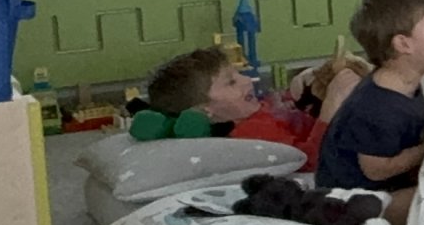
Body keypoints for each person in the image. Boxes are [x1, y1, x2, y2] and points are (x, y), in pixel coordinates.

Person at [317, 0, 424, 225]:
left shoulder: (408, 86)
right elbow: (377, 170)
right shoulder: (376, 107)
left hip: (387, 186)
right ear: (404, 45)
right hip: (353, 202)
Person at [142, 44, 362, 159]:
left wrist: (299, 91)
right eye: (231, 82)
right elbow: (310, 159)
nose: (247, 81)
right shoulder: (248, 133)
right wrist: (331, 104)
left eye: (239, 74)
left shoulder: (250, 112)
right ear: (204, 110)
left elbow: (282, 113)